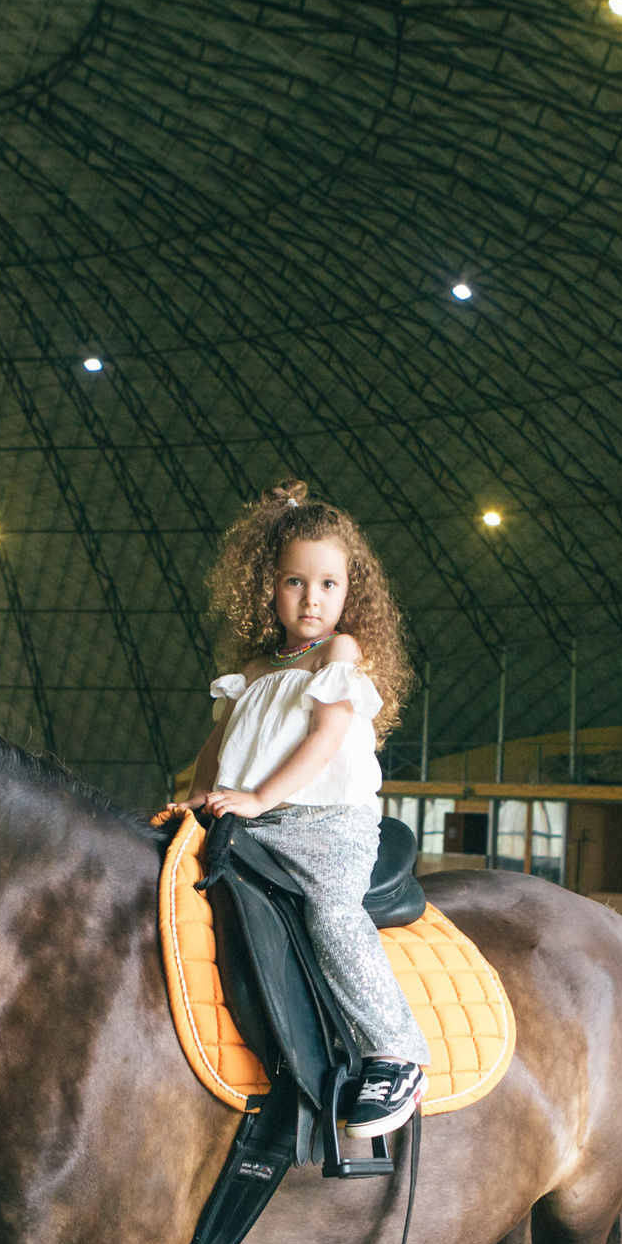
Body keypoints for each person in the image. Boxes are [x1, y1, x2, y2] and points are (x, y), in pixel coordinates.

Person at [183, 480, 429, 1138]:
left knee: (331, 913)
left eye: (328, 584)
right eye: (295, 582)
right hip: (250, 829)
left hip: (328, 828)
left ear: (351, 592)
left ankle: (396, 1051)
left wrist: (261, 794)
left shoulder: (338, 655)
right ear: (271, 586)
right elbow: (218, 746)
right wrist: (192, 797)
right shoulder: (255, 669)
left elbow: (323, 737)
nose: (312, 599)